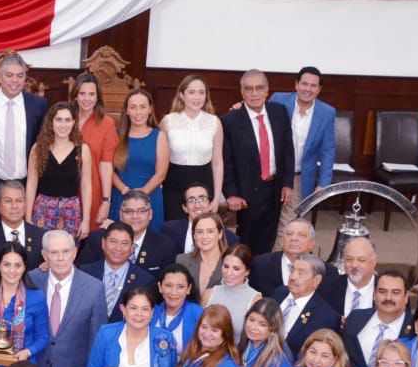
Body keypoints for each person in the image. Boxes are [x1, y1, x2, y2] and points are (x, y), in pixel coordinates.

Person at [29, 230, 107, 367]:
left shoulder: (94, 287)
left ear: (74, 252)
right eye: (54, 252)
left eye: (65, 251)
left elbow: (97, 338)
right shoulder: (31, 280)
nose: (60, 258)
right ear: (44, 255)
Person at [0, 52, 49, 227]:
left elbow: (44, 141)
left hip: (25, 185)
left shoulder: (38, 105)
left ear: (25, 78)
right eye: (9, 75)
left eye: (20, 76)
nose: (15, 80)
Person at [222, 69, 295, 256]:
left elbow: (288, 150)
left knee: (268, 240)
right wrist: (231, 193)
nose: (254, 93)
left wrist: (287, 183)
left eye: (259, 88)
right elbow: (227, 161)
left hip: (274, 189)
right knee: (246, 242)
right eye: (249, 89)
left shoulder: (279, 112)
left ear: (267, 90)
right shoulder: (230, 121)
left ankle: (262, 272)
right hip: (247, 192)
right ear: (242, 92)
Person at [269, 67, 336, 250]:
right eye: (304, 84)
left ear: (319, 89)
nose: (308, 89)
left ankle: (280, 262)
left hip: (298, 178)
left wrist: (323, 183)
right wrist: (240, 108)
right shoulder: (278, 100)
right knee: (265, 221)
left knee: (288, 225)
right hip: (271, 175)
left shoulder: (327, 113)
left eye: (313, 86)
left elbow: (328, 150)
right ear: (296, 85)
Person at [160, 75, 224, 222]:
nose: (197, 97)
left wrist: (216, 198)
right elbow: (160, 159)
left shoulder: (214, 122)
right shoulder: (168, 121)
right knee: (174, 228)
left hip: (204, 182)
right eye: (191, 92)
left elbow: (217, 162)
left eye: (201, 92)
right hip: (174, 184)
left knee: (202, 227)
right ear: (182, 95)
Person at [25, 102, 93, 238]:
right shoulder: (38, 149)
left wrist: (86, 220)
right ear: (51, 122)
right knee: (42, 249)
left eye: (67, 120)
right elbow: (31, 184)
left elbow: (86, 186)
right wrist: (27, 216)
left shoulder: (83, 150)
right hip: (43, 210)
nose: (63, 125)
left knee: (67, 250)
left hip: (71, 211)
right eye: (59, 120)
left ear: (74, 122)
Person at [81, 190, 177, 276]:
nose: (135, 216)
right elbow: (82, 275)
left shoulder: (165, 245)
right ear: (120, 214)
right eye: (129, 211)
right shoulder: (97, 238)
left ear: (150, 214)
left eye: (141, 211)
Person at [110, 88, 168, 230]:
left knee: (150, 240)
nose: (138, 112)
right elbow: (108, 170)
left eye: (142, 107)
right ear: (127, 111)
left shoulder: (159, 136)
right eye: (133, 107)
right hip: (121, 196)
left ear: (150, 109)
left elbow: (161, 174)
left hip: (150, 197)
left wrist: (141, 194)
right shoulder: (116, 135)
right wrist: (125, 191)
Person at [343, 270, 414, 367]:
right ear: (374, 295)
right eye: (382, 291)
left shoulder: (415, 329)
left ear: (406, 297)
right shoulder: (355, 318)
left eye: (395, 292)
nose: (388, 298)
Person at [78, 220, 154, 323]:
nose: (118, 248)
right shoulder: (84, 273)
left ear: (132, 248)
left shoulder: (145, 280)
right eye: (113, 241)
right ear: (103, 243)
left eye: (125, 243)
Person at [71, 73, 118, 234]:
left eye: (91, 94)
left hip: (93, 190)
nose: (87, 99)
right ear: (75, 95)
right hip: (64, 189)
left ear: (98, 97)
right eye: (82, 93)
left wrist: (106, 200)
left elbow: (106, 164)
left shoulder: (106, 123)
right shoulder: (64, 118)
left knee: (89, 237)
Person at [277, 253, 342, 358]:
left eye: (301, 273)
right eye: (292, 270)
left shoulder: (326, 317)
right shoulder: (279, 293)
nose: (293, 277)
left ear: (316, 280)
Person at [161, 182, 241, 255]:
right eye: (191, 200)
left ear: (210, 204)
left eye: (202, 199)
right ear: (185, 208)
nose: (198, 205)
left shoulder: (230, 239)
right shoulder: (169, 230)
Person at [0, 180, 46, 270]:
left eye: (19, 201)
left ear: (25, 204)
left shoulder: (42, 237)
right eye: (8, 201)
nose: (14, 206)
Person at [205, 243, 261, 343]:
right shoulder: (208, 294)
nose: (229, 273)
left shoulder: (255, 300)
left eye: (236, 268)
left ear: (247, 271)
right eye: (226, 266)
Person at [250, 218, 319, 296]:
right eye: (289, 234)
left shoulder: (324, 272)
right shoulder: (260, 265)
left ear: (312, 243)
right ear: (283, 240)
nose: (294, 238)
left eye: (301, 235)